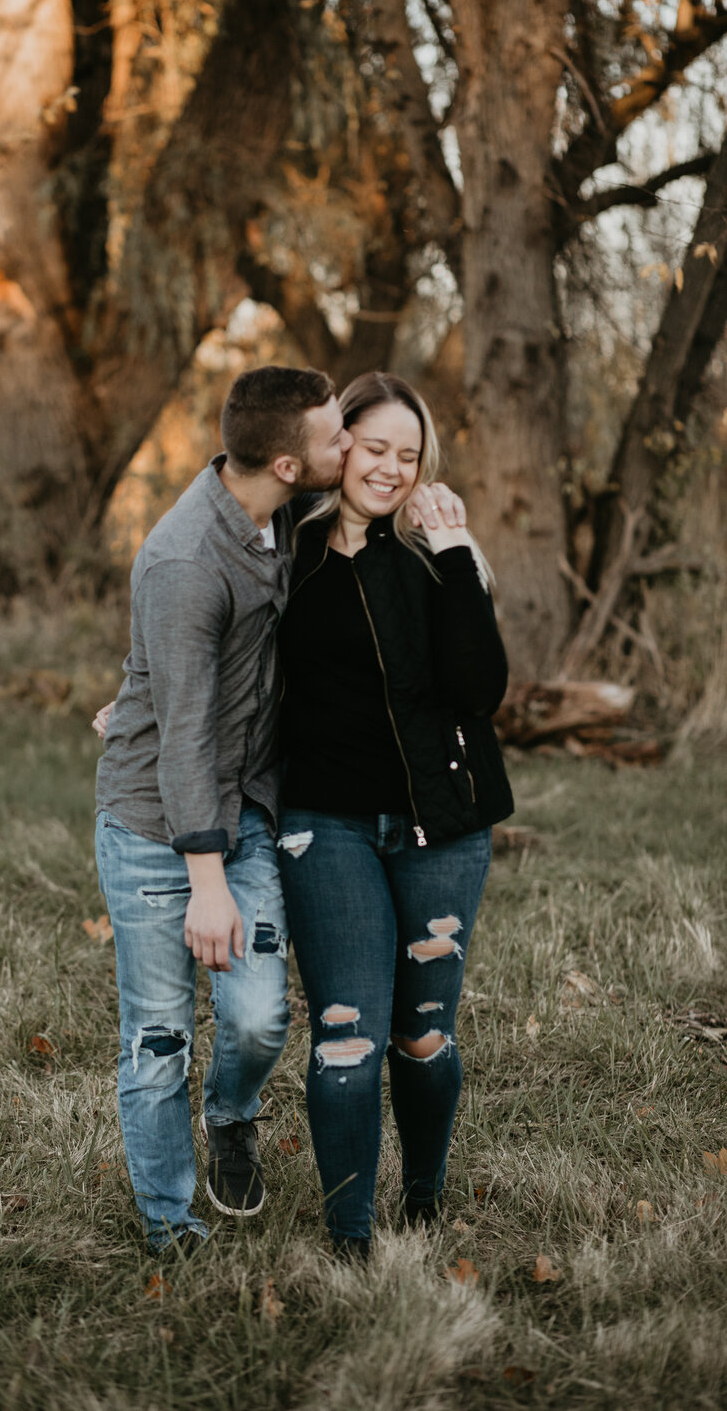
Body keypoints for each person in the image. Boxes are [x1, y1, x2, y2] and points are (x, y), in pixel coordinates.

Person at [94, 365, 351, 1254]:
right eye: (334, 439)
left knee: (255, 1016)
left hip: (242, 810)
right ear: (286, 462)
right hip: (156, 830)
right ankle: (170, 1221)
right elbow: (185, 741)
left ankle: (230, 1115)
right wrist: (208, 883)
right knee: (161, 1036)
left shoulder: (276, 516)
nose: (348, 448)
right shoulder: (183, 563)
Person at [275, 371, 514, 1259]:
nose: (389, 469)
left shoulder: (438, 552)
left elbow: (479, 690)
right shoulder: (285, 550)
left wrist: (453, 553)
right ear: (338, 447)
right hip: (323, 824)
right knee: (347, 1038)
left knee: (420, 1036)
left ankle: (422, 1197)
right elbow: (219, 650)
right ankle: (349, 1240)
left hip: (440, 829)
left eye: (407, 456)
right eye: (374, 448)